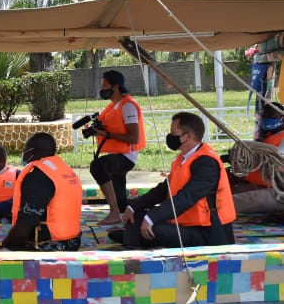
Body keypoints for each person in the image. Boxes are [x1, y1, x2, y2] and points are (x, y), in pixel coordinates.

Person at [111, 112, 236, 249]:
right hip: (183, 222)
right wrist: (133, 206)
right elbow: (163, 189)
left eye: (173, 133)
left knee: (154, 226)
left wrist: (152, 217)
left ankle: (132, 241)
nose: (170, 137)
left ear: (188, 136)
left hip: (207, 232)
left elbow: (186, 198)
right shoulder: (183, 159)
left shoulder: (206, 162)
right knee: (137, 214)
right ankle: (133, 238)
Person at [2, 132, 83, 251]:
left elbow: (24, 226)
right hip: (73, 241)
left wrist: (6, 246)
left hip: (49, 246)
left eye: (25, 149)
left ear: (33, 151)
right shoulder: (64, 170)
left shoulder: (38, 176)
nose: (24, 153)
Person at [88, 69, 146, 225]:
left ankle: (114, 213)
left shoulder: (128, 106)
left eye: (105, 85)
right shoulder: (112, 106)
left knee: (98, 167)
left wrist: (107, 135)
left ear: (116, 86)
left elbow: (134, 137)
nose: (102, 89)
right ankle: (140, 212)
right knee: (122, 203)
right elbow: (110, 129)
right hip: (116, 153)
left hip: (126, 156)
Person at [229, 101, 284, 214]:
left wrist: (263, 160)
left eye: (272, 116)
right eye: (265, 116)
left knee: (224, 203)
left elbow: (279, 165)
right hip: (257, 186)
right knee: (218, 195)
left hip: (275, 192)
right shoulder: (267, 138)